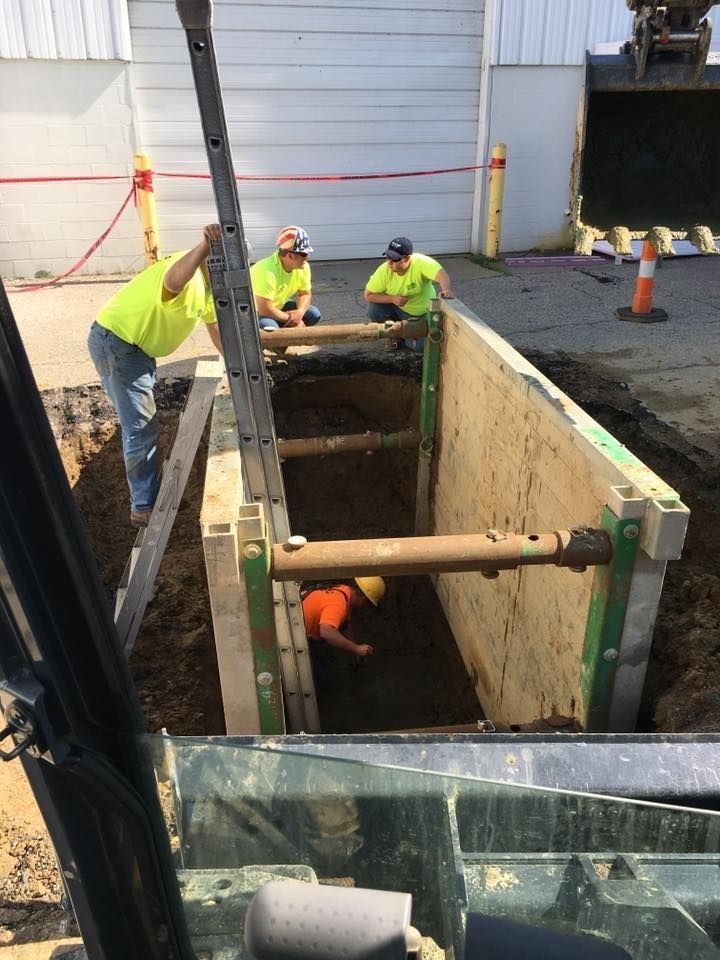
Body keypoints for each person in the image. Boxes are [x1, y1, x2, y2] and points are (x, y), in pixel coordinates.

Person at [87, 224, 223, 528]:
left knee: (142, 424)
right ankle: (143, 506)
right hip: (118, 344)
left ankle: (149, 490)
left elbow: (217, 331)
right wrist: (202, 247)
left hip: (134, 348)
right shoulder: (188, 274)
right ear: (212, 261)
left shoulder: (211, 287)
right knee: (140, 428)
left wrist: (239, 364)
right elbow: (172, 282)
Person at [363, 236, 454, 350]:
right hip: (398, 308)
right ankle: (395, 335)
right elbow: (368, 295)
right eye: (388, 257)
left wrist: (446, 289)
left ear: (406, 259)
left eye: (394, 259)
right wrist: (392, 299)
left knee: (419, 347)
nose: (389, 262)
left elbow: (441, 274)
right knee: (374, 311)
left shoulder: (421, 262)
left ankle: (405, 333)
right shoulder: (384, 270)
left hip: (421, 312)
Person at [250, 225, 321, 332]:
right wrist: (292, 319)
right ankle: (274, 341)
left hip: (277, 306)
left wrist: (300, 312)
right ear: (290, 255)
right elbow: (264, 309)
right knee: (270, 329)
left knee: (313, 314)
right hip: (256, 312)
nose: (308, 257)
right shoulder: (266, 271)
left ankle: (284, 335)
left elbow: (305, 293)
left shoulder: (304, 267)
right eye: (304, 253)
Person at [301, 577, 385, 660]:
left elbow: (345, 624)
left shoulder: (344, 590)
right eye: (368, 603)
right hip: (297, 632)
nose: (365, 606)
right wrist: (355, 648)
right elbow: (326, 632)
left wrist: (355, 647)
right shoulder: (339, 603)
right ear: (364, 598)